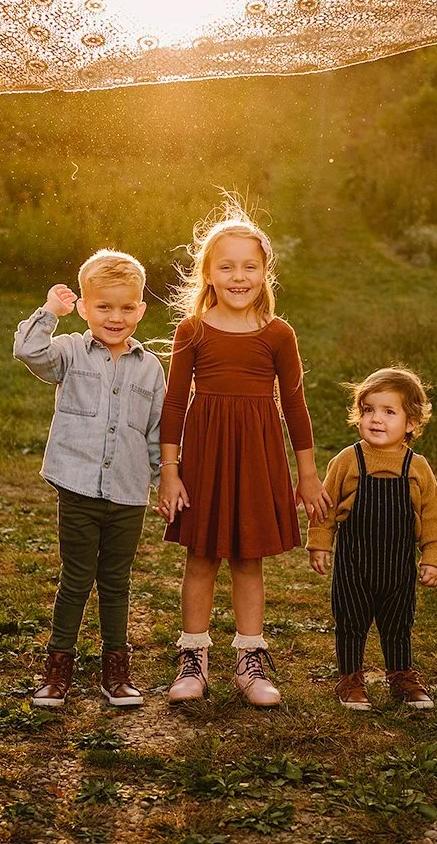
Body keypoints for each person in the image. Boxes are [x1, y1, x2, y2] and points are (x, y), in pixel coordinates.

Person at [156, 203, 331, 707]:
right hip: (206, 456)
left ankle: (249, 661)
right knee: (202, 557)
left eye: (249, 266)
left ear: (265, 272)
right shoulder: (193, 331)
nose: (239, 276)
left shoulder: (278, 335)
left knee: (249, 559)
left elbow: (295, 406)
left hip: (257, 455)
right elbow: (173, 403)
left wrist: (307, 475)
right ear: (208, 273)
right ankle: (193, 658)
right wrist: (171, 473)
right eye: (227, 266)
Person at [13, 250, 167, 707]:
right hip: (77, 487)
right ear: (84, 307)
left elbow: (156, 432)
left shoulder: (151, 368)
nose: (115, 317)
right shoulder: (69, 353)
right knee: (77, 579)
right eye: (103, 307)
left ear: (140, 309)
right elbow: (28, 350)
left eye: (125, 308)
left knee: (117, 582)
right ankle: (57, 670)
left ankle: (115, 672)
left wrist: (165, 481)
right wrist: (49, 312)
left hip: (128, 492)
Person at [307, 367, 437, 711]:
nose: (376, 419)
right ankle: (350, 680)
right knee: (351, 621)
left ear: (411, 422)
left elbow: (432, 517)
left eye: (388, 411)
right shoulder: (347, 460)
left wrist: (433, 556)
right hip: (354, 565)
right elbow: (326, 508)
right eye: (368, 410)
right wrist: (320, 544)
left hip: (398, 567)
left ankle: (401, 677)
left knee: (398, 623)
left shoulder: (417, 467)